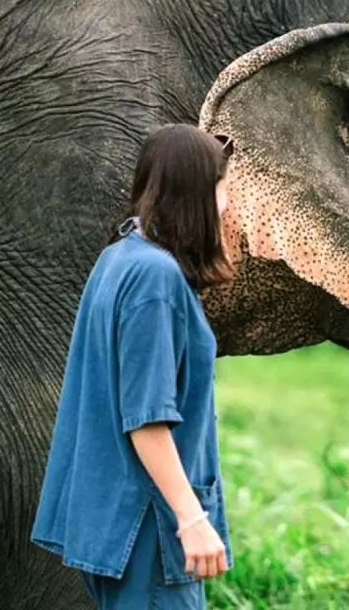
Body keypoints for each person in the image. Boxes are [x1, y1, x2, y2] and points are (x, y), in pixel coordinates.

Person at [31, 124, 238, 608]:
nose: (229, 205)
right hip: (149, 532)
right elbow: (145, 418)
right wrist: (191, 520)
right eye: (224, 188)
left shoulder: (120, 256)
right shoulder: (155, 277)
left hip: (121, 525)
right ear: (198, 194)